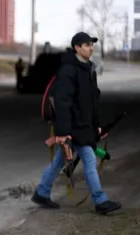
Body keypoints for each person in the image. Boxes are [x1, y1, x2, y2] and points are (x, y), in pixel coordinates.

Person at [31, 32, 121, 215]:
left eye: (92, 44)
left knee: (59, 161)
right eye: (87, 45)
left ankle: (42, 192)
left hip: (84, 126)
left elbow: (93, 101)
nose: (91, 47)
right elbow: (63, 103)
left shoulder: (88, 69)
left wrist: (98, 126)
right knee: (88, 159)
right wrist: (63, 132)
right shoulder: (68, 70)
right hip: (73, 127)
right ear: (77, 48)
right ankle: (100, 200)